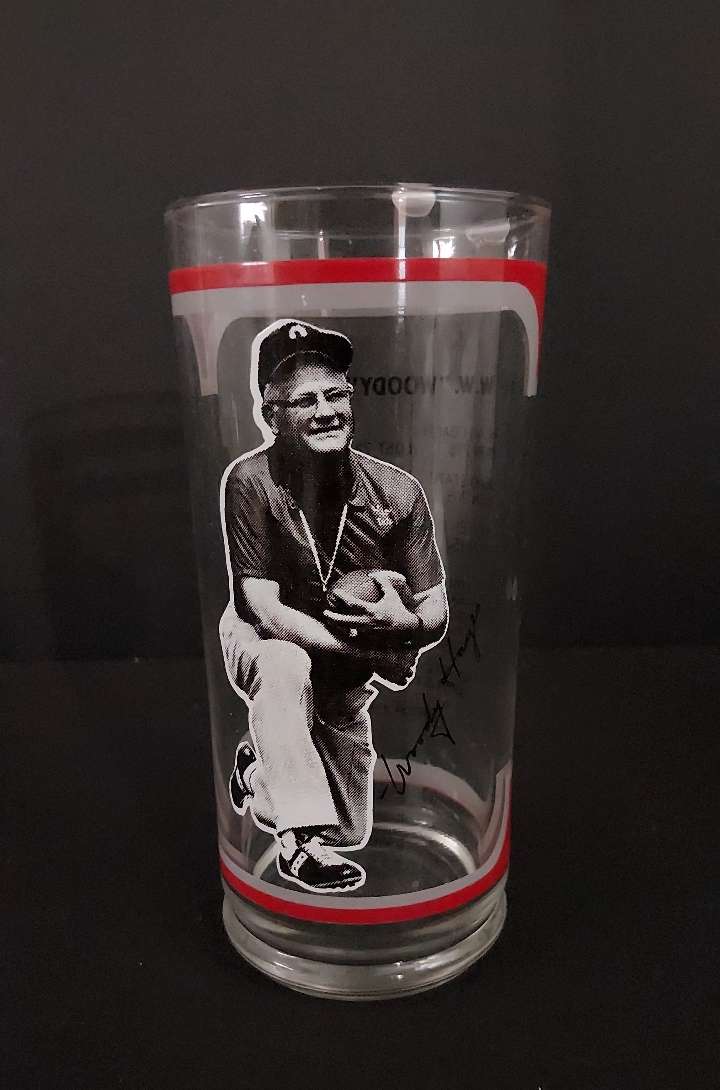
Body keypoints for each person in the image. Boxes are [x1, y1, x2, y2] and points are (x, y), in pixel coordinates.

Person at [219, 319, 448, 893]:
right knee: (285, 664)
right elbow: (263, 609)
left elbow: (435, 610)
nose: (326, 411)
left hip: (342, 655)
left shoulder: (397, 491)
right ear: (272, 415)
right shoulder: (249, 480)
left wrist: (404, 622)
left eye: (335, 394)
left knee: (349, 829)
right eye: (305, 401)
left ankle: (260, 770)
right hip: (266, 636)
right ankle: (298, 846)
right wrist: (370, 650)